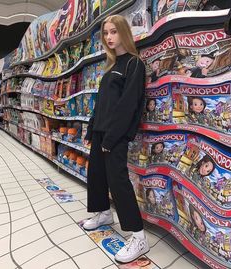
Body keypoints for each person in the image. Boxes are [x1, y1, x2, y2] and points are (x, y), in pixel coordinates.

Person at [82, 14, 149, 263]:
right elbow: (102, 104)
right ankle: (103, 214)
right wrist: (92, 128)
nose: (109, 37)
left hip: (116, 135)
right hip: (101, 132)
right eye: (106, 33)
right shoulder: (111, 65)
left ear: (124, 33)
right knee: (97, 175)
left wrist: (111, 138)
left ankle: (139, 236)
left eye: (114, 32)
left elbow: (128, 105)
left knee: (118, 182)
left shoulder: (134, 64)